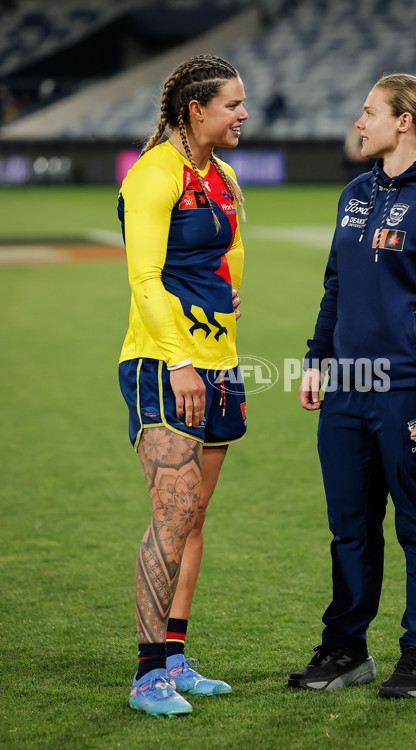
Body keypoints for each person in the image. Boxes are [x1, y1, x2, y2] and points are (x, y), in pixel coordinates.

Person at [289, 73, 416, 699]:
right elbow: (335, 286)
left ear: (405, 122)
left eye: (369, 111)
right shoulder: (353, 193)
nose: (359, 121)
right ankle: (346, 648)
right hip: (345, 387)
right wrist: (317, 358)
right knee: (349, 524)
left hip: (408, 390)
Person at [117, 54, 249, 717]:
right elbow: (144, 281)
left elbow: (232, 251)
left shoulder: (220, 175)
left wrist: (230, 309)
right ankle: (146, 677)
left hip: (217, 362)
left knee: (194, 517)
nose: (243, 114)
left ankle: (175, 659)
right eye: (232, 104)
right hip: (164, 366)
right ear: (196, 111)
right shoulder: (152, 177)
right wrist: (179, 363)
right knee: (170, 517)